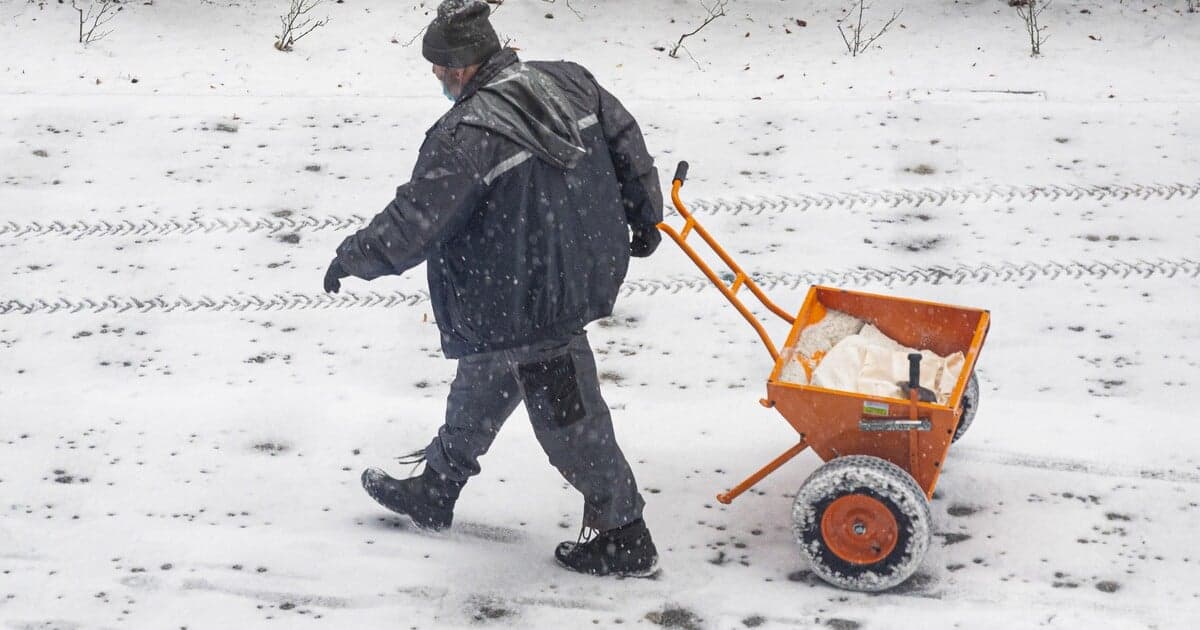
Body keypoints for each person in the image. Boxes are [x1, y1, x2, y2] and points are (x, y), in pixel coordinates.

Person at [322, 0, 663, 577]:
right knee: (487, 370)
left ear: (460, 67)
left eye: (437, 67)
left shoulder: (467, 134)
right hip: (557, 270)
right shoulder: (568, 81)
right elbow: (624, 138)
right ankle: (438, 487)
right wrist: (644, 211)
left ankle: (623, 531)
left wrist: (353, 255)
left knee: (567, 415)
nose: (435, 77)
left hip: (529, 295)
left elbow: (416, 221)